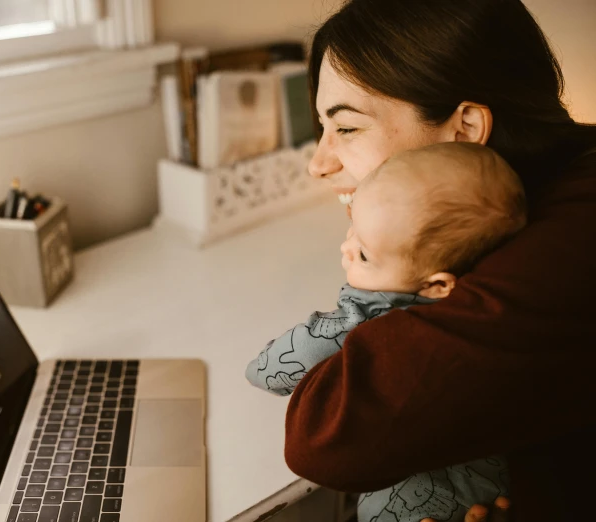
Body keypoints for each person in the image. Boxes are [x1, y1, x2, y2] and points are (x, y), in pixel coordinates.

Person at [282, 1, 596, 521]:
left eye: (348, 128)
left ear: (466, 126)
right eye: (322, 126)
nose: (319, 164)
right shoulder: (512, 208)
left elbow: (324, 433)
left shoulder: (568, 245)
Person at [247, 143, 521, 521]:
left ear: (437, 284)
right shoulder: (495, 315)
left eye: (363, 254)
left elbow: (263, 372)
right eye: (351, 229)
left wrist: (346, 314)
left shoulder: (366, 320)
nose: (345, 248)